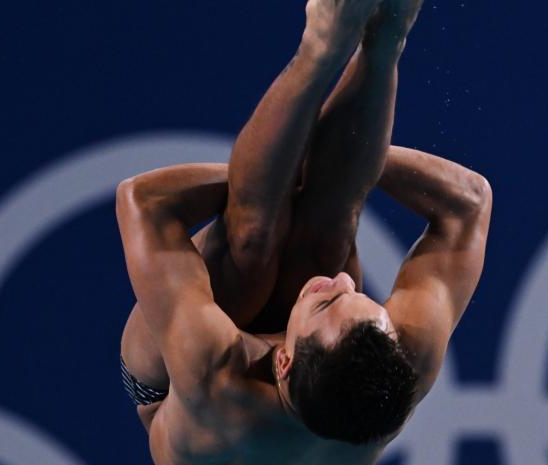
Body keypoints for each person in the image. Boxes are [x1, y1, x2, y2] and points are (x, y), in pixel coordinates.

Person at [117, 0, 492, 462]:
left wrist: (289, 170)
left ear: (283, 360)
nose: (347, 281)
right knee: (331, 232)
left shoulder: (214, 375)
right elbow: (469, 203)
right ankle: (385, 39)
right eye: (359, 297)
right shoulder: (405, 359)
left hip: (166, 383)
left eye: (331, 299)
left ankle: (320, 44)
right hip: (315, 376)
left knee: (251, 242)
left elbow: (144, 201)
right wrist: (349, 167)